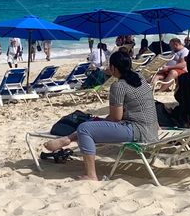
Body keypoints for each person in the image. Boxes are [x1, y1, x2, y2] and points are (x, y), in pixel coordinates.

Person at [41, 51, 159, 182]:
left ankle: (90, 174)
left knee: (85, 128)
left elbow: (115, 118)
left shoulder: (118, 86)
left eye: (109, 66)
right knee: (90, 125)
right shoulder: (139, 78)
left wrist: (97, 121)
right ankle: (68, 139)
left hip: (138, 131)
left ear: (114, 68)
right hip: (152, 129)